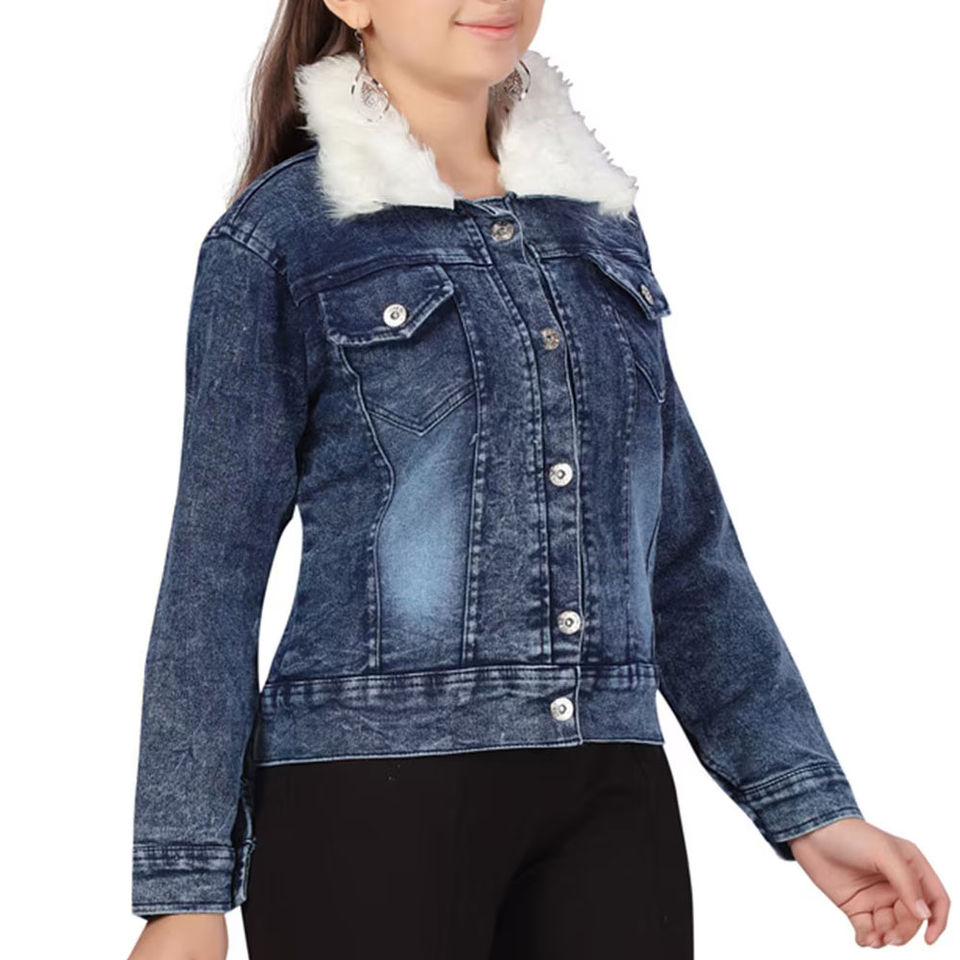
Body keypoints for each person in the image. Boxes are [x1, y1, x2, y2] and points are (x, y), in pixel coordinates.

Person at [127, 2, 950, 958]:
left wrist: (808, 804)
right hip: (372, 797)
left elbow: (683, 548)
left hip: (610, 796)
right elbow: (213, 575)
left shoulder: (598, 226)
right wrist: (184, 893)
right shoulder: (280, 238)